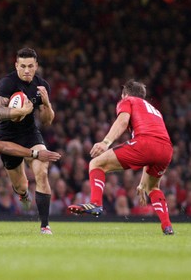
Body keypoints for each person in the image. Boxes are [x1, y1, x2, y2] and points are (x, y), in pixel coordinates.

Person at [68, 79, 175, 235]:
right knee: (152, 187)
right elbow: (153, 148)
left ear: (125, 94)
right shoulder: (155, 111)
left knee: (96, 164)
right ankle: (167, 226)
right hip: (166, 149)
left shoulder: (128, 100)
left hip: (144, 143)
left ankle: (96, 203)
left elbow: (123, 121)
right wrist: (142, 182)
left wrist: (106, 142)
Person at [0, 47, 55, 234]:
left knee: (42, 171)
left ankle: (45, 226)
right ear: (16, 65)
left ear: (36, 66)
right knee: (20, 185)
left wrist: (47, 103)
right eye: (23, 66)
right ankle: (23, 195)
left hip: (30, 134)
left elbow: (47, 121)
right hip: (8, 137)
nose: (26, 70)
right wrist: (20, 111)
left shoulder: (41, 86)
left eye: (30, 66)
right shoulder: (7, 83)